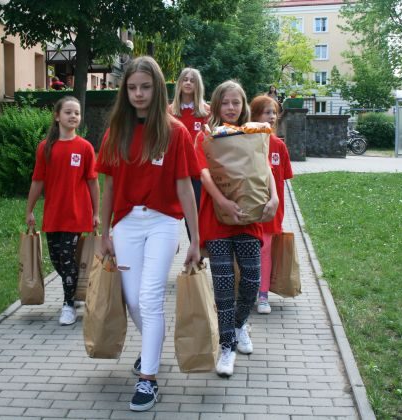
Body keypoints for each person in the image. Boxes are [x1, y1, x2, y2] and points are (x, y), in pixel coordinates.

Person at [96, 56, 200, 412]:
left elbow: (186, 188)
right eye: (132, 87)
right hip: (126, 225)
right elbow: (107, 188)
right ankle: (152, 347)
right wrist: (102, 233)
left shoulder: (176, 132)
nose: (138, 94)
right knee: (135, 299)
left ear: (157, 88)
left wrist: (196, 240)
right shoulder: (115, 133)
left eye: (145, 86)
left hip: (163, 223)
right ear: (124, 91)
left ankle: (148, 380)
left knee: (151, 297)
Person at [195, 80, 279, 378]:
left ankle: (240, 323)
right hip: (217, 219)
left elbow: (265, 166)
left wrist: (274, 196)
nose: (231, 108)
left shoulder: (254, 134)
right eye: (225, 103)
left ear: (243, 105)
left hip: (249, 218)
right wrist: (223, 202)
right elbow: (203, 173)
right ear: (216, 105)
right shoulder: (205, 136)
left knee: (252, 280)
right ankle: (226, 345)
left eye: (236, 103)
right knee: (223, 285)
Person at [25, 96, 100, 326]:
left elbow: (93, 183)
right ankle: (77, 288)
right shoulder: (45, 147)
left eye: (77, 113)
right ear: (57, 116)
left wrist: (96, 213)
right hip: (53, 214)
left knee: (67, 258)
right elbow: (38, 181)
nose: (73, 116)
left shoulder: (85, 147)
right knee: (57, 259)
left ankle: (68, 304)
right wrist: (29, 210)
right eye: (68, 112)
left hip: (77, 214)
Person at [250, 95, 293, 314]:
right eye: (267, 112)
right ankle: (247, 292)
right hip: (249, 207)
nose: (272, 117)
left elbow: (283, 179)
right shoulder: (245, 142)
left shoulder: (279, 146)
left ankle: (263, 295)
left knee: (265, 250)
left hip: (271, 210)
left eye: (274, 112)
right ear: (255, 115)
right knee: (249, 251)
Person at [169, 68, 210, 241]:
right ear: (179, 83)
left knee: (193, 214)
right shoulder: (169, 112)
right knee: (168, 213)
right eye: (184, 79)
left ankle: (197, 252)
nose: (188, 83)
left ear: (198, 85)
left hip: (197, 172)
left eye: (192, 80)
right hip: (172, 170)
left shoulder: (206, 112)